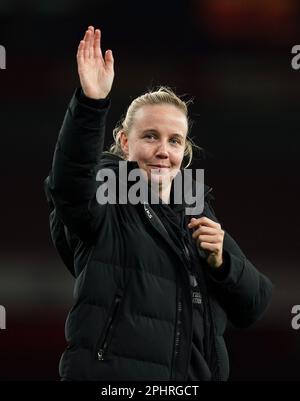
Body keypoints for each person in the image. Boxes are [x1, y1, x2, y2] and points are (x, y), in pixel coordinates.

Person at [44, 26, 273, 381]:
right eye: (150, 136)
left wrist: (222, 262)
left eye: (175, 140)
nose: (163, 151)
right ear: (123, 140)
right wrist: (91, 104)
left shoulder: (195, 208)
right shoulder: (107, 195)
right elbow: (69, 185)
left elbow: (254, 304)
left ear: (185, 149)